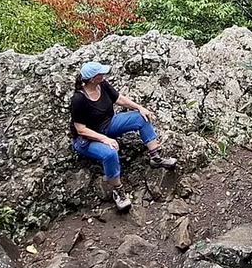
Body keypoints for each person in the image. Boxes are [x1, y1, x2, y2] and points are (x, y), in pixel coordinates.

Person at [69, 61, 177, 213]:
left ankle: (156, 157)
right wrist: (105, 139)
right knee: (110, 152)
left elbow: (119, 99)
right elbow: (81, 129)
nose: (104, 75)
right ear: (92, 79)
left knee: (141, 118)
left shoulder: (103, 85)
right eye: (100, 73)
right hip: (87, 139)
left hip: (108, 124)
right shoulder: (78, 99)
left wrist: (139, 108)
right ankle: (118, 190)